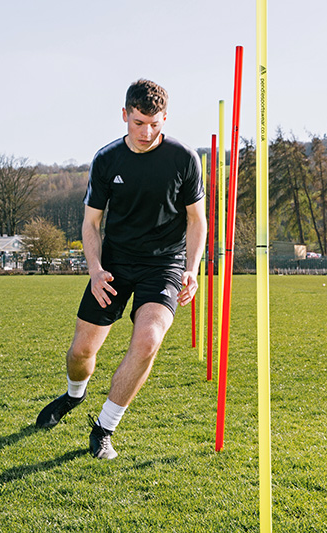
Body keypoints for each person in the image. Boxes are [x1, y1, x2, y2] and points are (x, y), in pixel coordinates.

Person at [35, 79, 206, 460]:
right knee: (80, 352)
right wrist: (95, 270)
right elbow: (91, 224)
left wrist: (191, 269)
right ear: (124, 115)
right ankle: (73, 395)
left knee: (148, 339)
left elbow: (198, 221)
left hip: (163, 265)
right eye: (139, 122)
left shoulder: (184, 159)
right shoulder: (107, 159)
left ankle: (105, 428)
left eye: (155, 124)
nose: (147, 132)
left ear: (165, 119)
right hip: (113, 263)